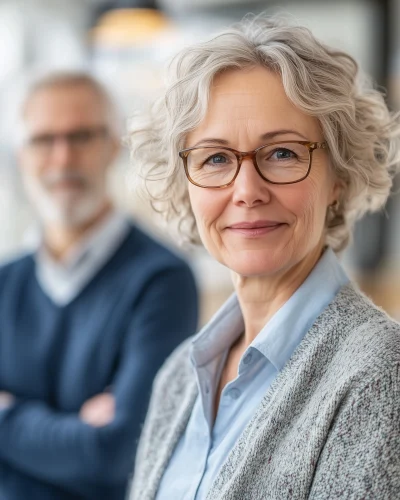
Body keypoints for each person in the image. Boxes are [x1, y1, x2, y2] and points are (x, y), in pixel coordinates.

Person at [128, 15, 400, 500]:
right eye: (215, 158)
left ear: (338, 176)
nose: (247, 191)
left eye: (282, 154)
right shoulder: (177, 377)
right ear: (185, 184)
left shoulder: (380, 376)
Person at [0, 72, 198, 500]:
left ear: (112, 146)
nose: (62, 158)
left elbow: (116, 455)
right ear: (20, 155)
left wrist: (7, 415)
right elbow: (91, 452)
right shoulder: (3, 282)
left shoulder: (162, 280)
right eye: (42, 140)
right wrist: (71, 435)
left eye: (81, 136)